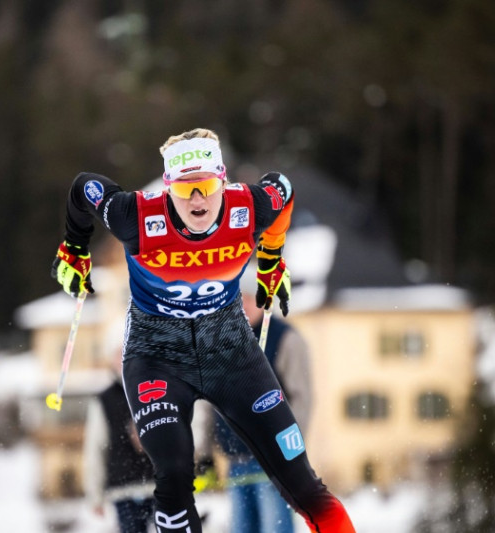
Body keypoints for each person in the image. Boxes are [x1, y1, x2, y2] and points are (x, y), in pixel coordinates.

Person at [51, 127, 356, 533]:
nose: (198, 199)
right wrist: (74, 247)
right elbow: (83, 187)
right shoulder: (136, 216)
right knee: (175, 477)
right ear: (168, 188)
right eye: (185, 189)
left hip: (230, 353)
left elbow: (282, 187)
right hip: (157, 357)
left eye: (208, 186)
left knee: (302, 481)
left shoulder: (249, 207)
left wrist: (271, 257)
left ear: (223, 182)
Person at [212, 279, 312, 533]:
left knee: (274, 527)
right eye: (236, 300)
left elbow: (302, 398)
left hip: (273, 459)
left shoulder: (286, 339)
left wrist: (290, 449)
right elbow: (209, 397)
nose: (242, 306)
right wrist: (203, 450)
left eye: (248, 299)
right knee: (242, 528)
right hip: (236, 457)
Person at [83, 332, 157, 533]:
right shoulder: (104, 400)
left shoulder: (156, 389)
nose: (123, 359)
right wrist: (95, 494)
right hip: (123, 488)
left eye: (127, 351)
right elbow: (95, 447)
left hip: (159, 484)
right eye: (118, 353)